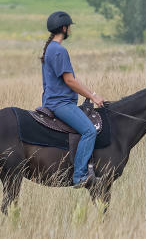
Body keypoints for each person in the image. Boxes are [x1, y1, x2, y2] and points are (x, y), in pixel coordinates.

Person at [40, 11, 105, 187]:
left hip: (53, 101)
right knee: (89, 131)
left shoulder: (50, 49)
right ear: (64, 28)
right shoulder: (59, 50)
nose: (70, 30)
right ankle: (80, 176)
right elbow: (69, 80)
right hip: (61, 104)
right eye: (69, 27)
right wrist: (93, 95)